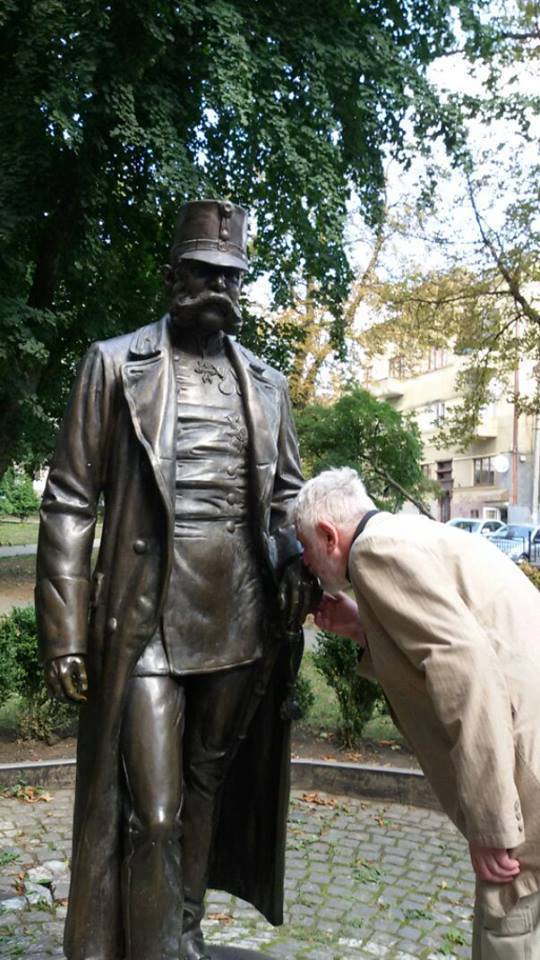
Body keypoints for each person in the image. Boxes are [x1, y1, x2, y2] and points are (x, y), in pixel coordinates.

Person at [36, 200, 314, 960]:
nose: (217, 286)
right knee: (153, 811)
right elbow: (67, 501)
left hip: (239, 619)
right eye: (202, 271)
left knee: (204, 790)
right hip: (147, 619)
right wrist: (64, 632)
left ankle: (180, 931)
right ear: (171, 278)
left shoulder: (265, 383)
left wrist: (296, 557)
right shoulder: (112, 364)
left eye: (231, 276)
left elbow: (288, 494)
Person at [294, 466, 540, 960]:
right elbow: (454, 633)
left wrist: (492, 825)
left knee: (509, 920)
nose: (305, 562)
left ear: (328, 535)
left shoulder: (374, 552)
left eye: (306, 548)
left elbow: (466, 670)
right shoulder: (405, 533)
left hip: (526, 771)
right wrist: (365, 625)